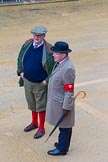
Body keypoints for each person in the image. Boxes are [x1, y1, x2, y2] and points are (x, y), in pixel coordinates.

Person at [17, 26, 54, 139]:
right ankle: (34, 123)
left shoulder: (49, 49)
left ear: (44, 36)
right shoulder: (27, 44)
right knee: (32, 103)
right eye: (34, 35)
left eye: (39, 35)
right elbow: (20, 58)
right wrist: (20, 71)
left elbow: (54, 69)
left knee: (41, 106)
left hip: (40, 83)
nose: (36, 37)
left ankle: (41, 128)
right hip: (27, 81)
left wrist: (46, 81)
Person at [46, 41, 76, 156]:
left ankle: (62, 149)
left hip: (62, 103)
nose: (53, 54)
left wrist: (67, 107)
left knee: (65, 126)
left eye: (55, 53)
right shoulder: (59, 63)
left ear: (63, 55)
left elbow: (69, 90)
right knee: (62, 125)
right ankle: (61, 144)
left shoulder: (68, 68)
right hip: (57, 102)